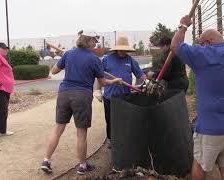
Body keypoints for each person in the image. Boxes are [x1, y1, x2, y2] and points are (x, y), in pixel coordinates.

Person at [171, 16, 224, 180]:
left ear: (207, 42)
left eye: (202, 44)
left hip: (212, 127)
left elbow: (175, 45)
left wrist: (183, 25)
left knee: (200, 165)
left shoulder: (203, 55)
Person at [41, 31, 122, 175]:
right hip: (82, 96)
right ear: (89, 40)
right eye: (95, 40)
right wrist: (115, 81)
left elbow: (53, 71)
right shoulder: (94, 59)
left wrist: (65, 60)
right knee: (81, 133)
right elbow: (102, 82)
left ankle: (46, 160)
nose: (96, 43)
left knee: (58, 128)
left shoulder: (68, 54)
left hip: (64, 94)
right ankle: (83, 166)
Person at [94, 36, 147, 146]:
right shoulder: (107, 60)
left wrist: (147, 81)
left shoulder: (130, 60)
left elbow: (140, 74)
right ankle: (111, 140)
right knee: (110, 120)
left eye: (125, 49)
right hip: (110, 96)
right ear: (117, 49)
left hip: (125, 96)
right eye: (121, 48)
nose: (123, 51)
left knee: (125, 119)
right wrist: (97, 90)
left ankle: (124, 139)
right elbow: (100, 76)